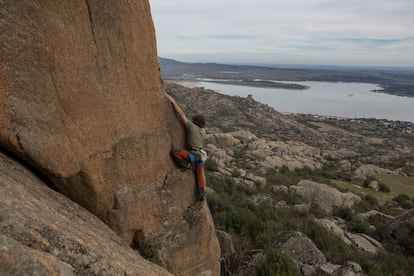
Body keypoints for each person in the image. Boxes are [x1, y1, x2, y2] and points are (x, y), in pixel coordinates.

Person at [165, 93, 208, 201]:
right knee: (200, 174)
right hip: (202, 154)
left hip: (194, 154)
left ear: (195, 122)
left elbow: (181, 114)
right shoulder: (203, 131)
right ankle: (202, 194)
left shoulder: (192, 127)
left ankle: (187, 165)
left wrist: (173, 102)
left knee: (175, 152)